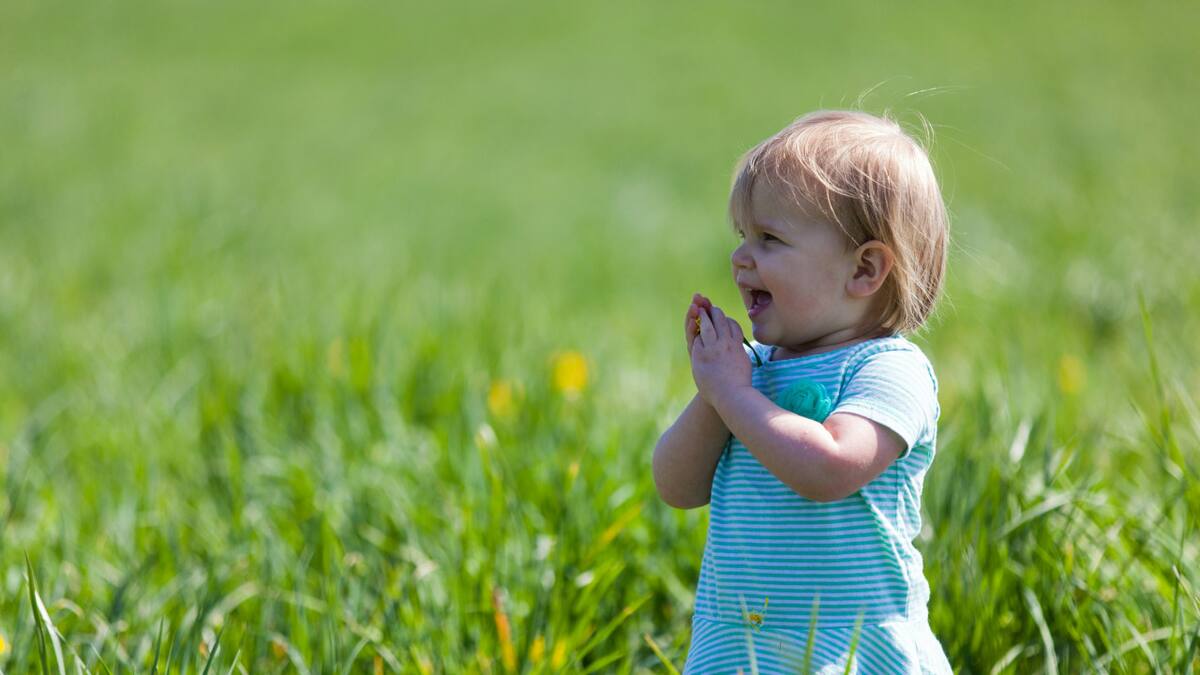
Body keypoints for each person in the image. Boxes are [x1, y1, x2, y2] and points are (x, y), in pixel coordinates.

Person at [652, 110, 953, 673]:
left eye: (770, 239)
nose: (741, 257)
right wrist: (715, 394)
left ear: (864, 270)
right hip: (738, 643)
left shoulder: (888, 369)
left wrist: (737, 396)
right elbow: (676, 485)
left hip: (853, 646)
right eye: (743, 237)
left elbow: (830, 468)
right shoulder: (752, 373)